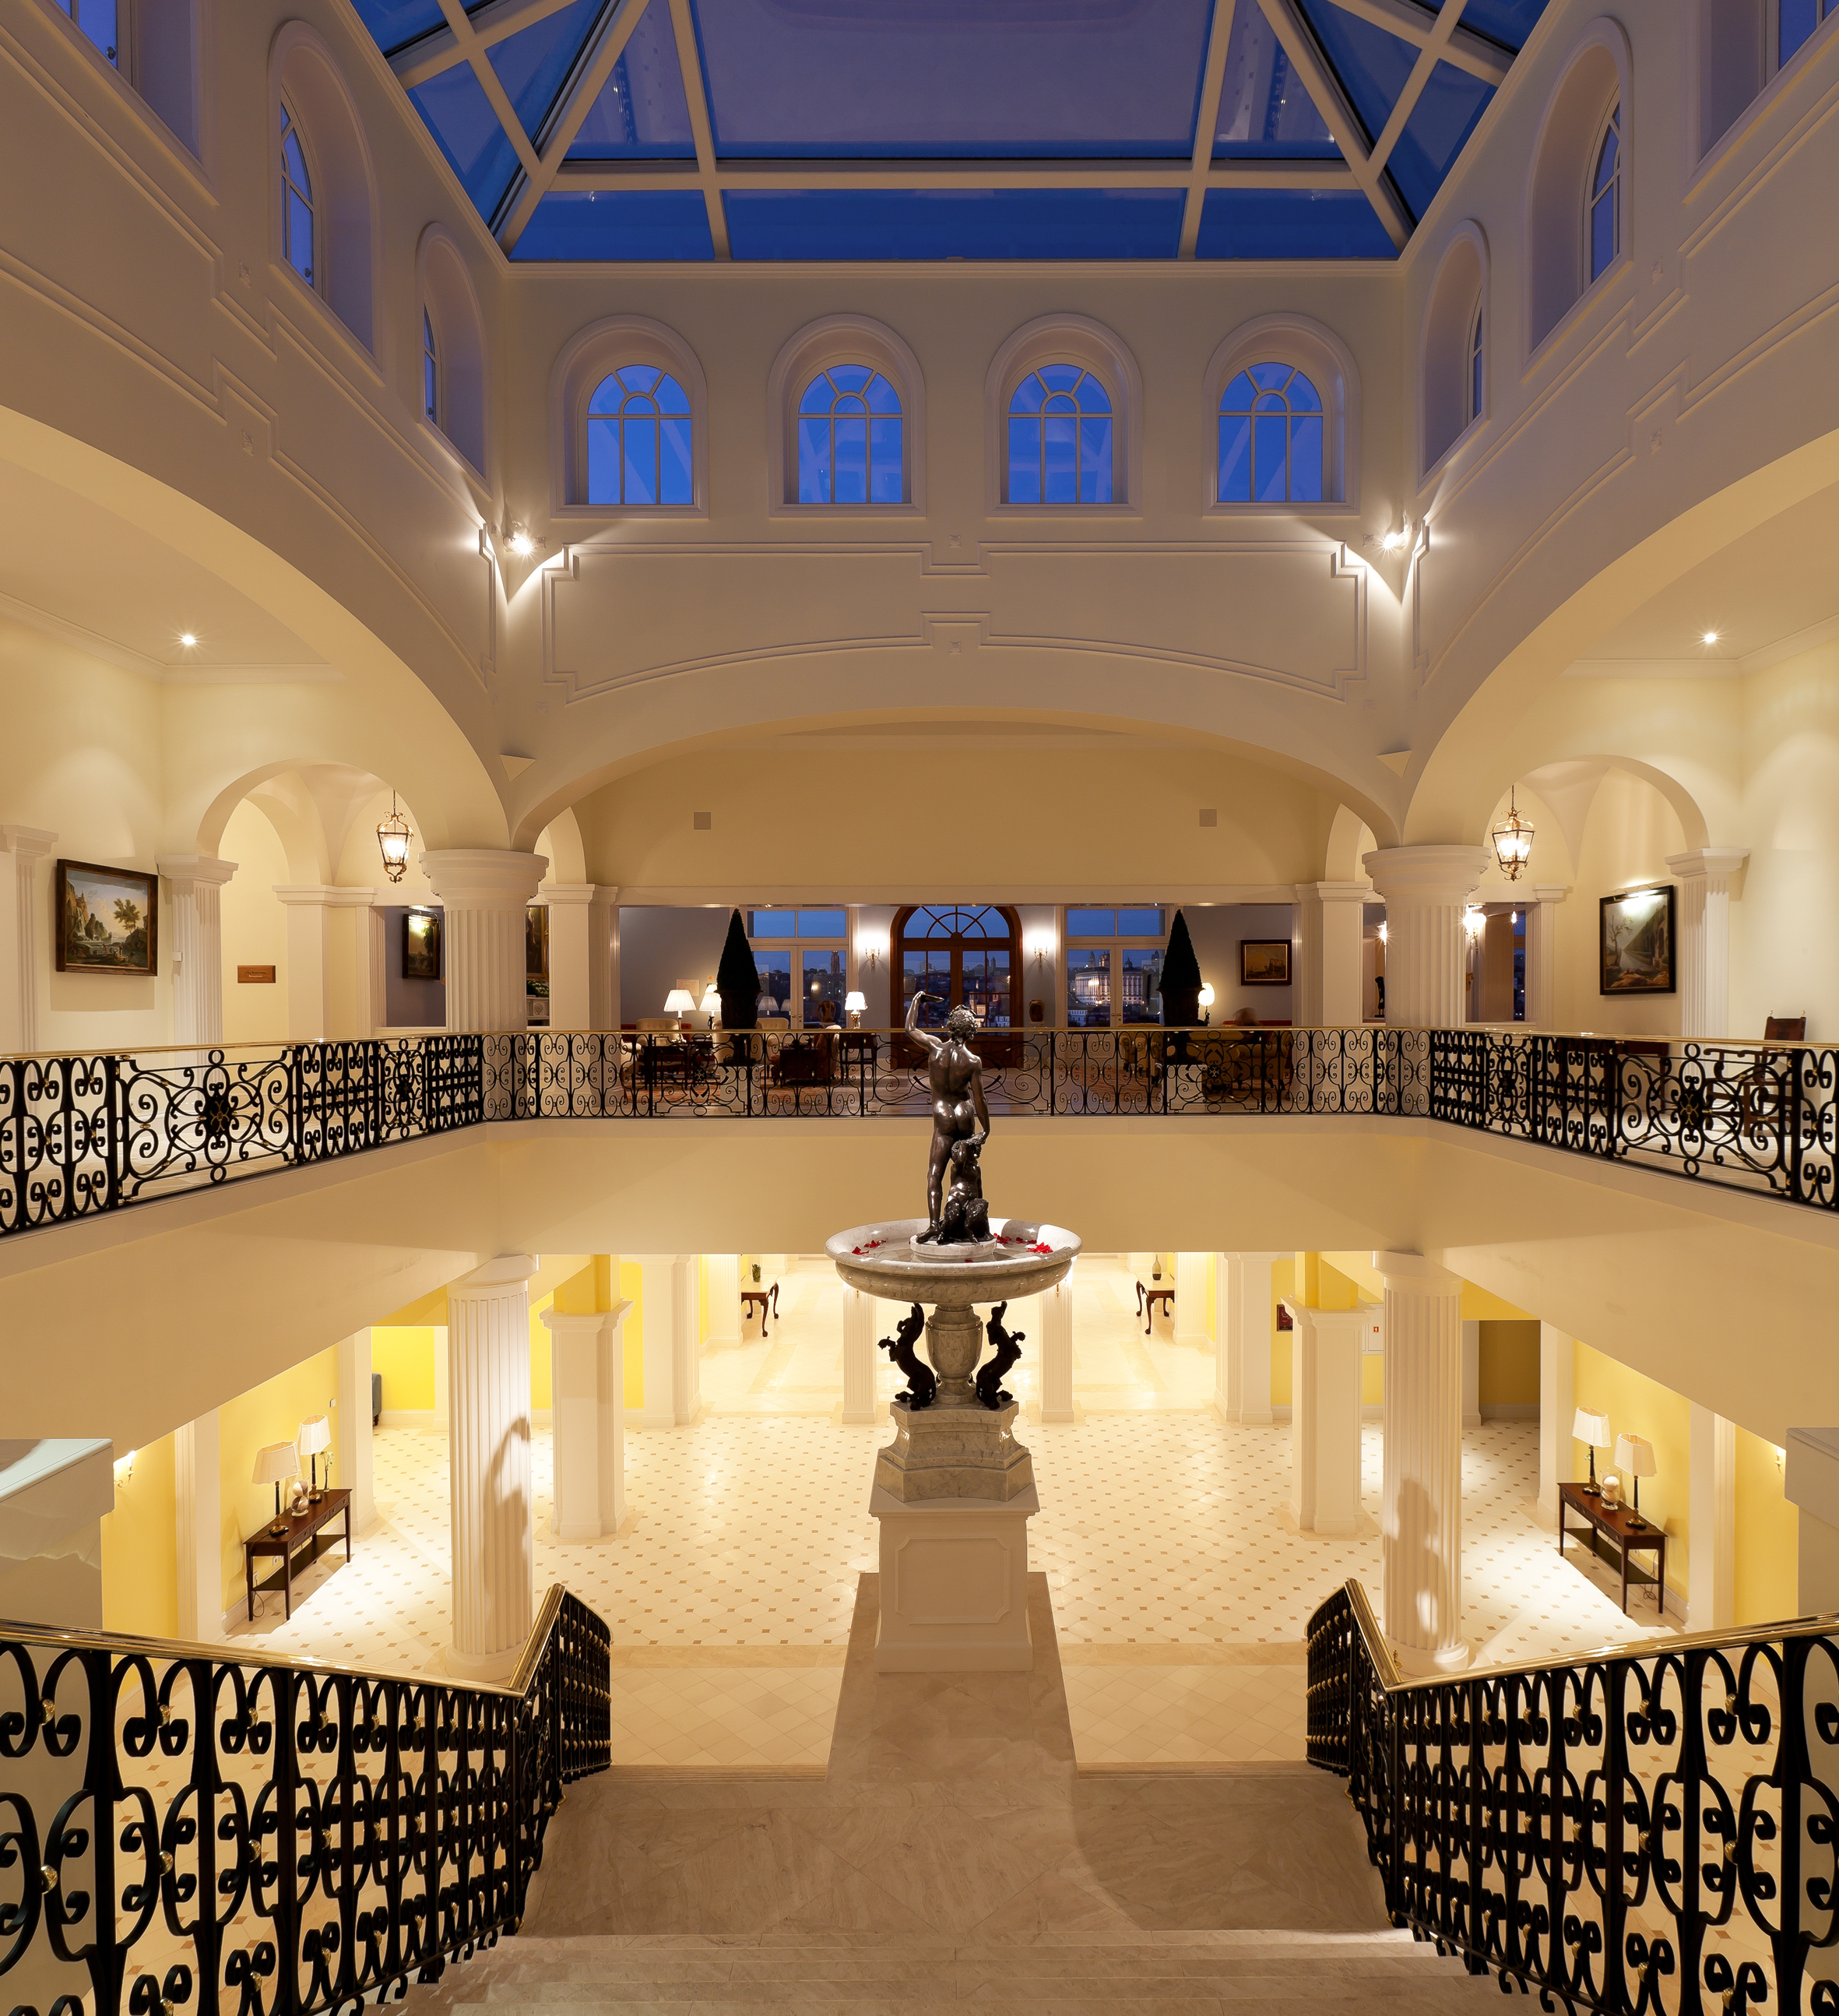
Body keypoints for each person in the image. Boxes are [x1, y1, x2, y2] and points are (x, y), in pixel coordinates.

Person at [905, 990, 991, 1243]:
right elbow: (979, 1099)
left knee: (935, 1173)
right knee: (966, 1170)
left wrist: (918, 1000)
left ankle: (934, 1224)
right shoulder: (972, 1061)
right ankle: (967, 1222)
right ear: (971, 1030)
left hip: (942, 1117)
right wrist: (986, 1129)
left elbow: (910, 1028)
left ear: (950, 1027)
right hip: (964, 1115)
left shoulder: (935, 1048)